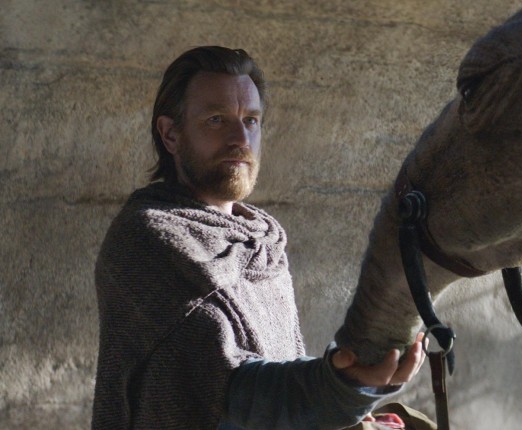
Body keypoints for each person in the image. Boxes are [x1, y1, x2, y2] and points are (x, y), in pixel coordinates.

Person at [91, 46, 426, 429]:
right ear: (170, 134)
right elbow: (223, 392)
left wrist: (351, 393)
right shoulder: (145, 240)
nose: (240, 138)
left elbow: (279, 377)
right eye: (216, 120)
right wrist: (339, 387)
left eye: (251, 120)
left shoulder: (263, 241)